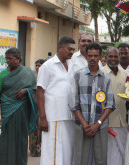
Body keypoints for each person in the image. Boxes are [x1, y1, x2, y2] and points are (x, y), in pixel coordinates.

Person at [70, 43, 114, 165]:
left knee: (101, 159)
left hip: (101, 126)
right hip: (81, 125)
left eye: (95, 56)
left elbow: (110, 104)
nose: (92, 59)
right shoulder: (78, 75)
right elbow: (73, 104)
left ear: (100, 57)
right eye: (90, 56)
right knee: (80, 159)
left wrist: (97, 124)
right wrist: (85, 125)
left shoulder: (106, 77)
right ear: (86, 57)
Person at [0, 48, 37, 165]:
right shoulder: (3, 74)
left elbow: (35, 90)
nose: (7, 61)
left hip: (22, 112)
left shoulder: (27, 73)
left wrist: (26, 90)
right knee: (6, 140)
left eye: (10, 58)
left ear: (18, 59)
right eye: (6, 58)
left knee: (21, 140)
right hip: (7, 112)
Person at [37, 36, 76, 165]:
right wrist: (43, 118)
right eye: (69, 49)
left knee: (67, 152)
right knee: (53, 153)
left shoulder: (72, 65)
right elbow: (40, 91)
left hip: (69, 116)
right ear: (60, 47)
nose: (72, 52)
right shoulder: (47, 66)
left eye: (73, 50)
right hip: (53, 117)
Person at [103, 47, 128, 165]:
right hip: (107, 122)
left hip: (123, 121)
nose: (113, 59)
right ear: (105, 57)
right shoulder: (101, 73)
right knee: (109, 154)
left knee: (122, 152)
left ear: (119, 58)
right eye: (110, 56)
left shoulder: (125, 74)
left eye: (115, 56)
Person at [29, 59, 46, 157]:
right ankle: (34, 150)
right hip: (33, 108)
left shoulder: (46, 77)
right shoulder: (32, 77)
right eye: (36, 65)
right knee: (33, 129)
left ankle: (42, 150)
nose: (37, 67)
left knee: (42, 130)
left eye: (39, 65)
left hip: (43, 108)